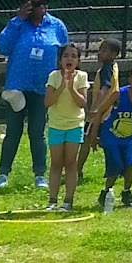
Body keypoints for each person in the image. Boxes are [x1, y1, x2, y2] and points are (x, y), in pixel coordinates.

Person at [0, 0, 68, 191]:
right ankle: (3, 173)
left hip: (42, 88)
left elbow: (65, 54)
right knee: (13, 132)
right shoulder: (17, 25)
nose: (42, 7)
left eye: (44, 2)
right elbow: (2, 47)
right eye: (36, 4)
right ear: (26, 5)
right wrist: (17, 20)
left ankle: (39, 174)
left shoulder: (56, 26)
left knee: (37, 132)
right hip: (17, 88)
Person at [97, 62, 132, 212]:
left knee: (130, 164)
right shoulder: (119, 94)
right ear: (129, 79)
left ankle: (127, 192)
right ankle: (106, 192)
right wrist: (93, 135)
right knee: (115, 165)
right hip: (111, 136)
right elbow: (100, 112)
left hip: (128, 138)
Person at [44, 41, 89, 211]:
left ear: (78, 60)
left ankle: (68, 201)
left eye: (74, 56)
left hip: (74, 125)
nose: (69, 59)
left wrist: (71, 87)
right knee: (56, 163)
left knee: (71, 163)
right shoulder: (54, 76)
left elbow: (82, 103)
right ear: (60, 59)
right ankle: (52, 201)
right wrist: (62, 85)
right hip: (56, 125)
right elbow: (47, 102)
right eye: (66, 55)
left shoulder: (82, 77)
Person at [77, 38, 122, 181]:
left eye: (104, 51)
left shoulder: (106, 69)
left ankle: (77, 170)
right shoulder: (114, 66)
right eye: (100, 50)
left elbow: (105, 89)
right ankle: (119, 166)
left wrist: (95, 108)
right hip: (109, 112)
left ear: (114, 54)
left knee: (85, 140)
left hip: (101, 113)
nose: (99, 53)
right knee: (103, 140)